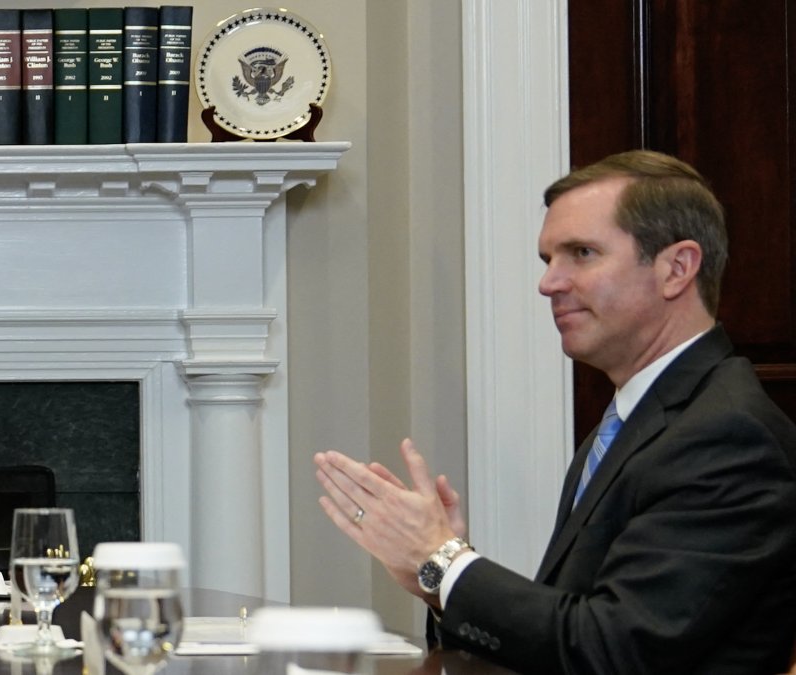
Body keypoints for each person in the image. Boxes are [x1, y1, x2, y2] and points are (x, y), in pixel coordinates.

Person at [315, 150, 796, 674]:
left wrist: (445, 562)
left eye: (582, 253)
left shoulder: (728, 437)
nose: (550, 283)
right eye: (549, 260)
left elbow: (615, 650)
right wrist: (436, 575)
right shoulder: (635, 421)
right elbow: (575, 627)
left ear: (676, 268)